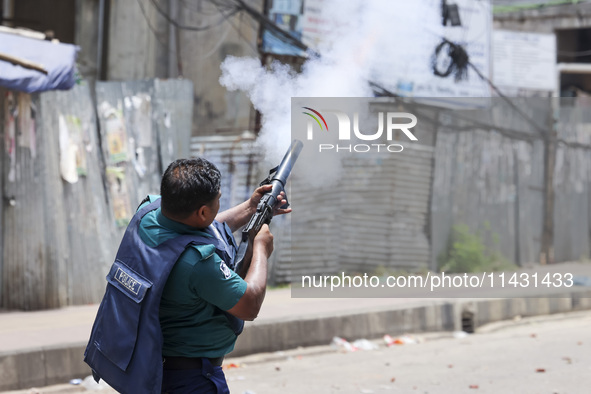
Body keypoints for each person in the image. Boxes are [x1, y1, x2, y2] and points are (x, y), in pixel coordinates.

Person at [84, 157, 290, 394]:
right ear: (202, 212)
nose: (218, 207)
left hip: (153, 370)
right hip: (192, 380)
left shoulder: (148, 214)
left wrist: (250, 208)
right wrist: (261, 248)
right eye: (217, 201)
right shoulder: (198, 263)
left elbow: (202, 227)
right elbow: (250, 303)